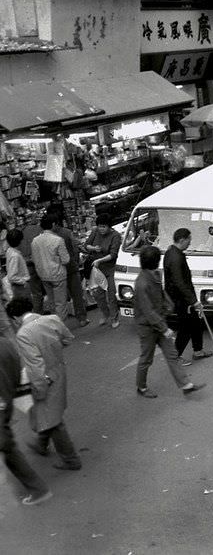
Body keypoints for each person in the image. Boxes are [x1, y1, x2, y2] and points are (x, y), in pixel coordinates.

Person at [6, 297, 81, 471]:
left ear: (16, 318)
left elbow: (35, 365)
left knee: (52, 419)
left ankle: (71, 459)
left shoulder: (23, 334)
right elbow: (68, 339)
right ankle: (42, 444)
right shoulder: (52, 319)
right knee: (47, 413)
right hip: (58, 372)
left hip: (44, 379)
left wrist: (39, 389)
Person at [134, 246, 205, 398]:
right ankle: (141, 387)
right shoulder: (142, 284)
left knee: (172, 354)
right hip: (147, 326)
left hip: (159, 322)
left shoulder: (155, 275)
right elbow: (148, 311)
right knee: (146, 358)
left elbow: (161, 292)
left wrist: (169, 304)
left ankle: (185, 384)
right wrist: (164, 328)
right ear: (155, 261)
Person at [0, 334, 52, 505]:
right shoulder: (7, 343)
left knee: (7, 446)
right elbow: (15, 373)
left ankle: (38, 489)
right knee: (7, 445)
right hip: (6, 402)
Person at [163, 228, 209, 366]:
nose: (190, 243)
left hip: (184, 297)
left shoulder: (172, 252)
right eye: (189, 240)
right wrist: (194, 301)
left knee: (196, 322)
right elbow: (179, 282)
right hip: (181, 299)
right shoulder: (176, 257)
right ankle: (176, 356)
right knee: (186, 327)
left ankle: (198, 350)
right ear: (182, 240)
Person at [47, 206, 89, 327]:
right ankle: (81, 318)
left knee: (57, 299)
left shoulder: (45, 237)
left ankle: (59, 324)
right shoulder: (67, 232)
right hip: (70, 268)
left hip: (55, 271)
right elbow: (75, 248)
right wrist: (75, 261)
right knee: (77, 295)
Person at [30, 214, 71, 325]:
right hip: (57, 274)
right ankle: (61, 328)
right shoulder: (58, 240)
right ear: (53, 224)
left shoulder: (35, 241)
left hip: (43, 275)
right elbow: (66, 260)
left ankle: (54, 326)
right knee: (60, 303)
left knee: (52, 303)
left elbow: (34, 258)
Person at [83, 213, 122, 329]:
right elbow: (86, 245)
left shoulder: (116, 236)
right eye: (100, 226)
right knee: (97, 294)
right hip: (96, 269)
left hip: (109, 268)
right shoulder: (95, 231)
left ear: (109, 226)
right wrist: (94, 248)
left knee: (111, 295)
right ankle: (105, 314)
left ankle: (114, 317)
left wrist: (100, 260)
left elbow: (113, 254)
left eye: (104, 227)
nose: (101, 229)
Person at [19, 218, 45, 314]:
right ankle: (55, 312)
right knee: (49, 287)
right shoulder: (39, 229)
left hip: (29, 265)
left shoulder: (21, 233)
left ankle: (39, 314)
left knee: (36, 292)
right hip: (41, 263)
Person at [5, 228, 30, 300]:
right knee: (25, 306)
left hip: (18, 285)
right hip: (20, 287)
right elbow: (12, 276)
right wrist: (23, 281)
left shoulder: (10, 251)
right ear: (20, 241)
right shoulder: (15, 255)